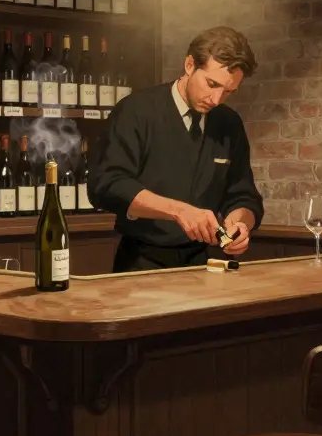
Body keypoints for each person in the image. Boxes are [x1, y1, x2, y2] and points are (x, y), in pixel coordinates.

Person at [88, 26, 264, 272]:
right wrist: (179, 211)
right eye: (211, 84)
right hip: (141, 262)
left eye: (228, 92)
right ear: (189, 65)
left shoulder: (229, 123)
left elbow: (243, 195)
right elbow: (106, 185)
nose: (216, 99)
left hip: (203, 263)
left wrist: (241, 223)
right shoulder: (136, 111)